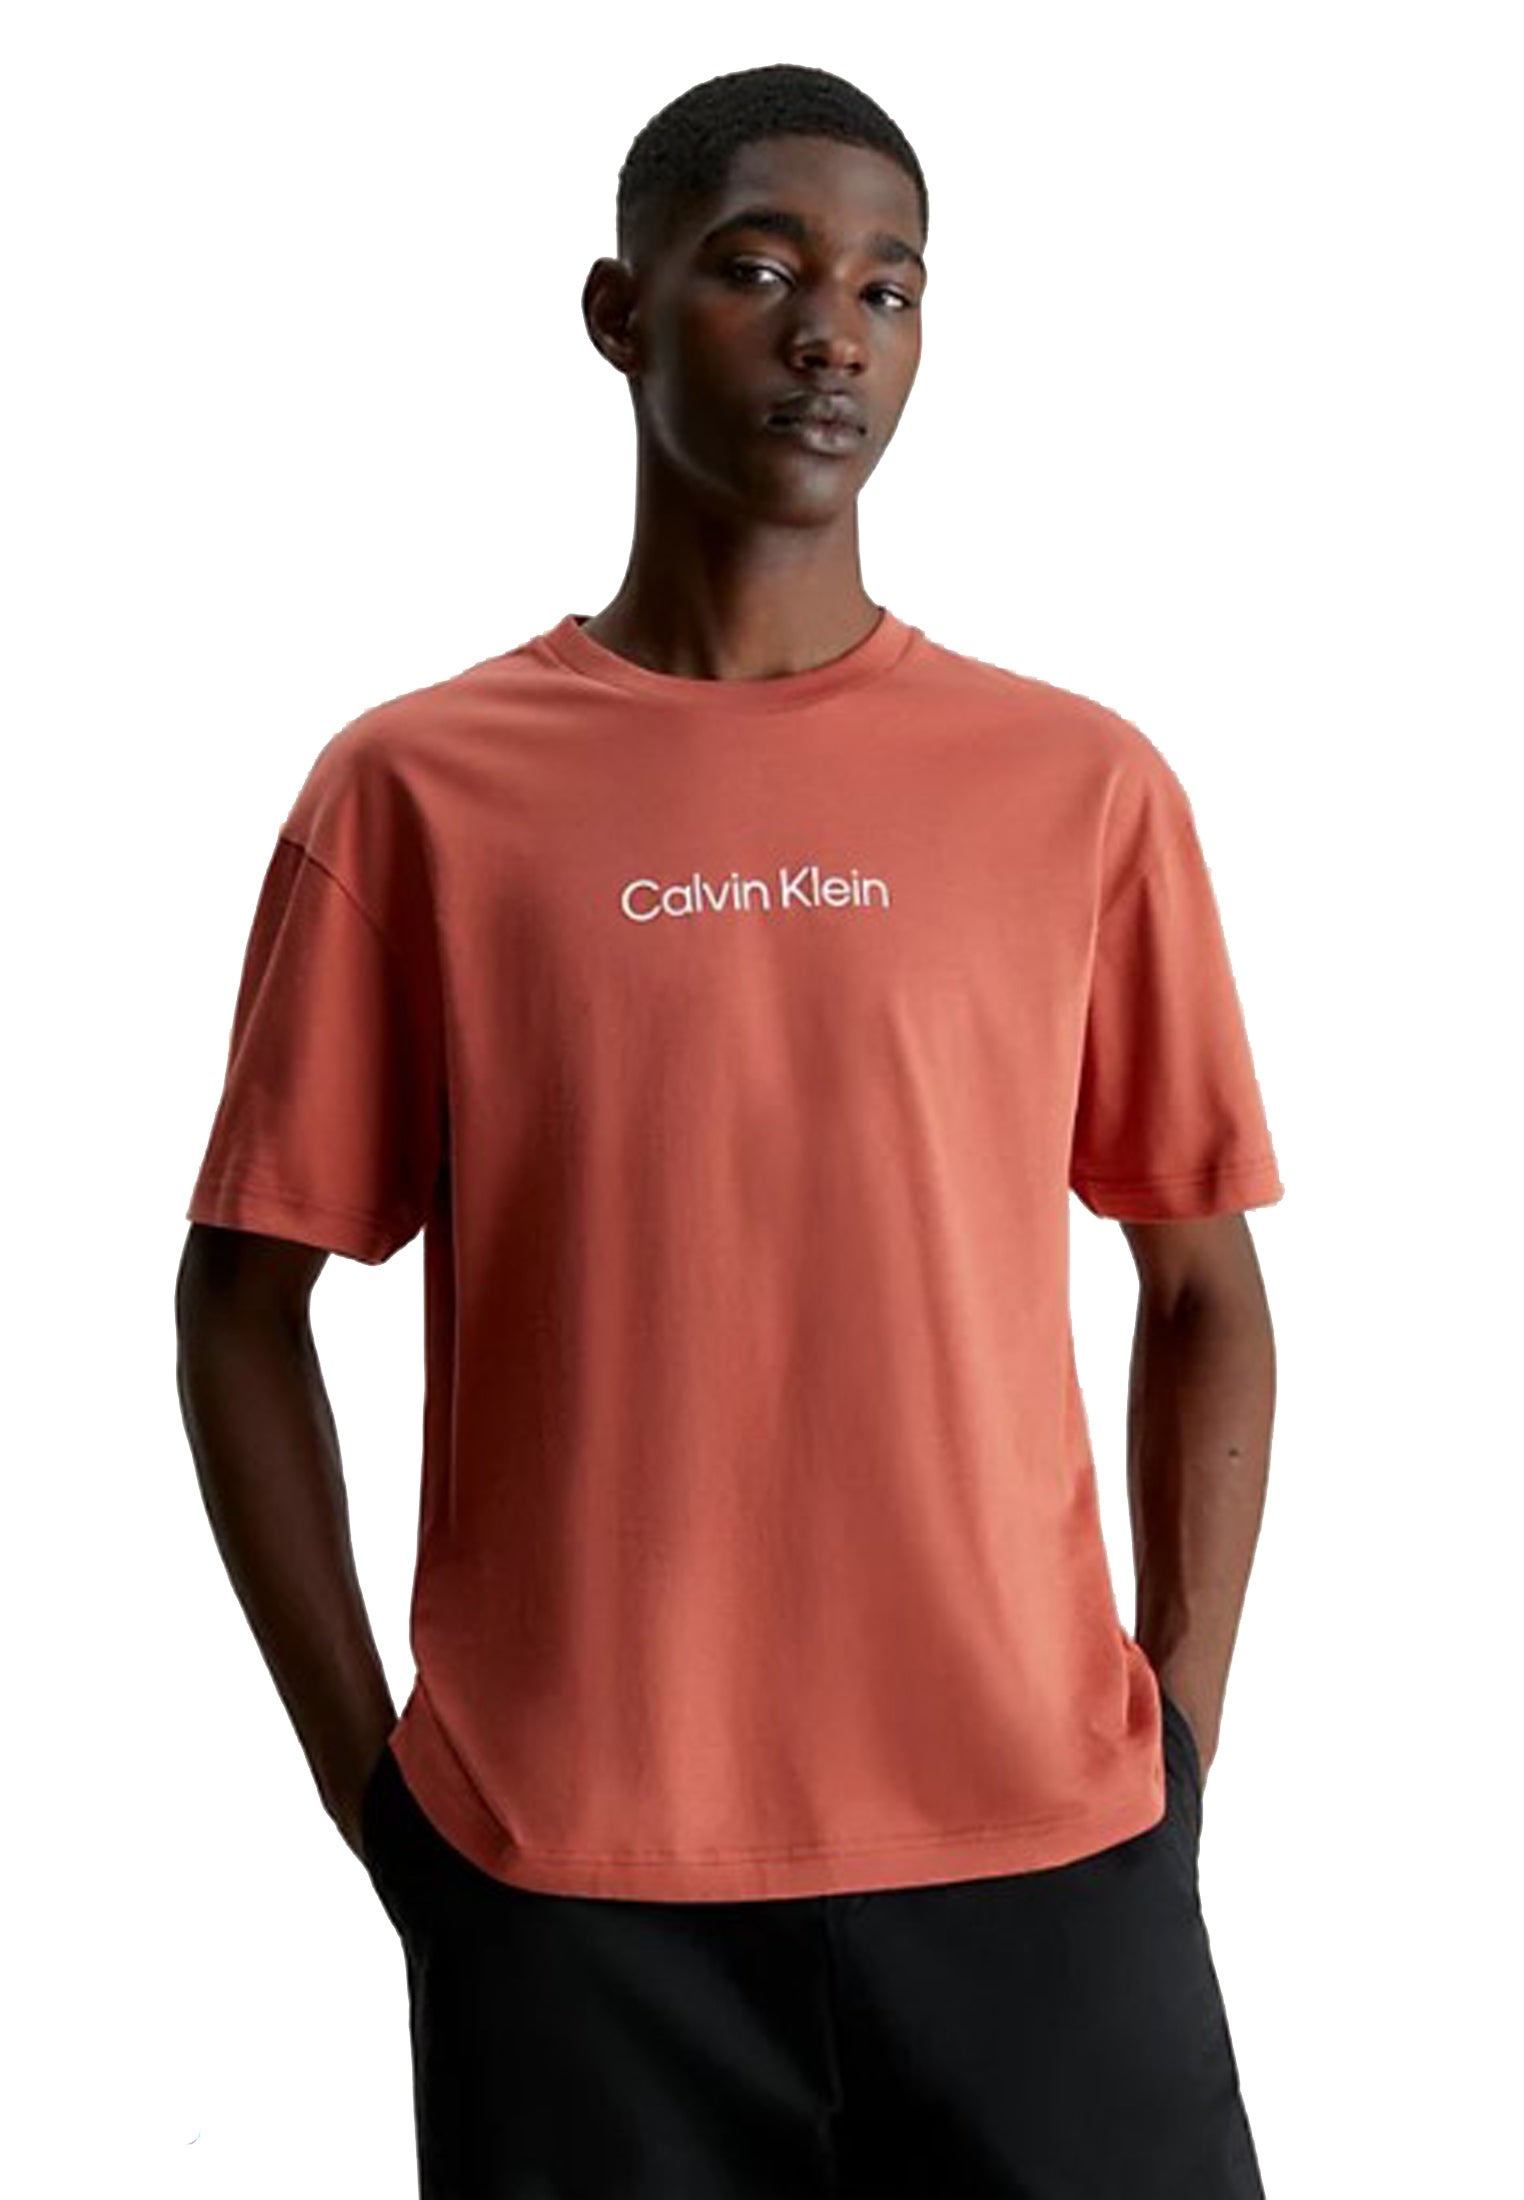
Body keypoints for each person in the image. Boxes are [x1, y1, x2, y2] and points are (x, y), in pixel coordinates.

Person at [175, 59, 1282, 2200]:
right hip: (573, 1885)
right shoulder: (417, 795)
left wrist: (1183, 1728)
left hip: (1047, 1855)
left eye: (887, 288)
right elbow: (237, 1303)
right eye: (758, 270)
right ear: (618, 312)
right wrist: (375, 1789)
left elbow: (1209, 1284)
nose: (829, 334)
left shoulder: (1078, 787)